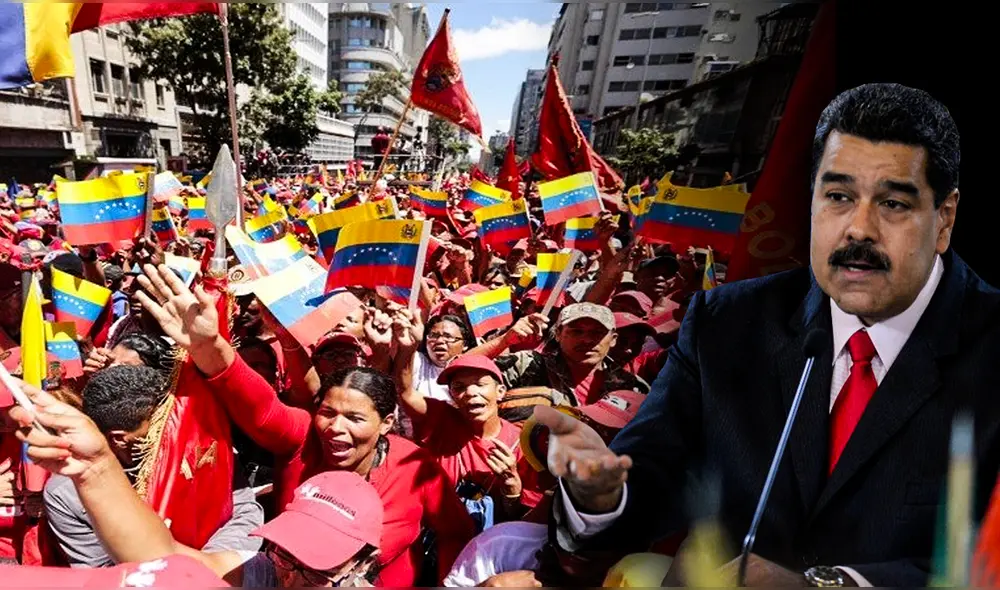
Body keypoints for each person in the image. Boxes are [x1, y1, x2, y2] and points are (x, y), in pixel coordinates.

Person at [536, 83, 1000, 587]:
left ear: (944, 218)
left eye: (892, 203)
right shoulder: (727, 322)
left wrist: (827, 585)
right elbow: (651, 474)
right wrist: (601, 497)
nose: (859, 229)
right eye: (838, 197)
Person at [132, 264, 475, 586]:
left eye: (355, 418)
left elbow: (456, 532)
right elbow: (260, 407)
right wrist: (210, 347)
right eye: (328, 412)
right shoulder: (303, 436)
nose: (335, 428)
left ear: (386, 423)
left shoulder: (414, 466)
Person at [9, 386, 383, 588]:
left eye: (316, 572)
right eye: (285, 555)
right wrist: (96, 468)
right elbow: (161, 557)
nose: (288, 578)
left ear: (363, 564)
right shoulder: (259, 573)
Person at [44, 364, 265, 567]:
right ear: (119, 439)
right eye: (160, 426)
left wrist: (209, 566)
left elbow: (245, 511)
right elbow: (100, 571)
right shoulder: (69, 492)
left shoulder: (198, 444)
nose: (173, 429)